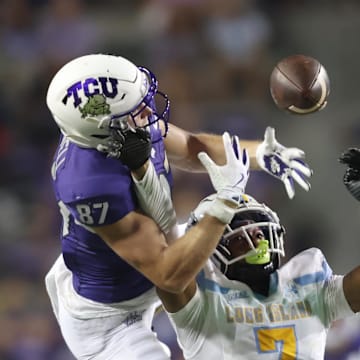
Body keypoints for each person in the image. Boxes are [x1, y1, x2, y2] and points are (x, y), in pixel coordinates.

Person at [44, 53, 312, 359]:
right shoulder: (91, 184)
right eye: (135, 109)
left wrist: (260, 155)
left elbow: (192, 148)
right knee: (223, 216)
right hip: (110, 314)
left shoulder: (121, 131)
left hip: (142, 259)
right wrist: (226, 197)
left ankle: (274, 324)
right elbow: (168, 276)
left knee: (247, 229)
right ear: (104, 129)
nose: (148, 108)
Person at [156, 147, 360, 360]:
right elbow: (168, 275)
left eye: (258, 227)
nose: (255, 236)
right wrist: (223, 205)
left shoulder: (309, 285)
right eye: (238, 231)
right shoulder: (202, 301)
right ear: (210, 247)